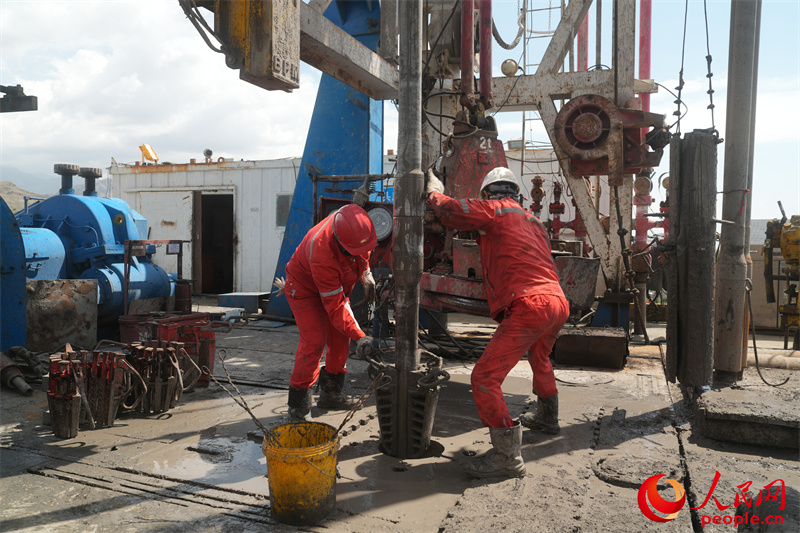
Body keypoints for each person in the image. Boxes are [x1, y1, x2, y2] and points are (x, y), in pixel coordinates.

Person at [425, 167, 569, 479]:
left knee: (484, 378)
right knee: (540, 357)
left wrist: (434, 192)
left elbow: (452, 211)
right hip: (557, 301)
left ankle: (506, 457)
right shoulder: (534, 221)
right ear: (518, 194)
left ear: (488, 194)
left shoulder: (494, 210)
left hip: (531, 304)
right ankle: (548, 418)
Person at [277, 203, 377, 421]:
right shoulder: (321, 252)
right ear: (340, 244)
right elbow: (336, 306)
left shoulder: (357, 230)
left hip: (334, 286)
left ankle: (331, 394)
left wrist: (366, 273)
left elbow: (363, 252)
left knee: (340, 338)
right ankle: (298, 407)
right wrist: (360, 337)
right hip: (304, 289)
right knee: (314, 341)